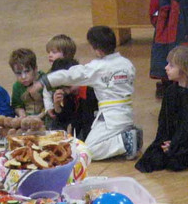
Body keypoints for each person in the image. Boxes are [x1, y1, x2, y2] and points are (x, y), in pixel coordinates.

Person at [34, 26, 141, 161]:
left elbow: (70, 75)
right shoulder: (127, 63)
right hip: (126, 114)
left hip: (110, 117)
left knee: (88, 150)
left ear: (97, 50)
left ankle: (125, 142)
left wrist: (44, 81)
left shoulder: (97, 67)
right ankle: (127, 136)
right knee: (92, 144)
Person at [135, 46, 188, 173]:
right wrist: (166, 143)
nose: (166, 68)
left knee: (177, 161)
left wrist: (175, 144)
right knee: (153, 159)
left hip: (187, 143)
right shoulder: (170, 92)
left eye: (171, 65)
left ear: (184, 70)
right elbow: (164, 123)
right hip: (170, 140)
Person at [45, 57, 97, 141]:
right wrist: (57, 108)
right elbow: (64, 123)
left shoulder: (92, 92)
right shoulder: (69, 95)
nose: (64, 89)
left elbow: (87, 124)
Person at [8, 48, 44, 119]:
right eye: (18, 73)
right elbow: (17, 105)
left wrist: (39, 117)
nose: (23, 77)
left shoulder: (44, 81)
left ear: (35, 69)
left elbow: (50, 104)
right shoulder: (17, 86)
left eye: (27, 71)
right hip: (27, 120)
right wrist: (21, 113)